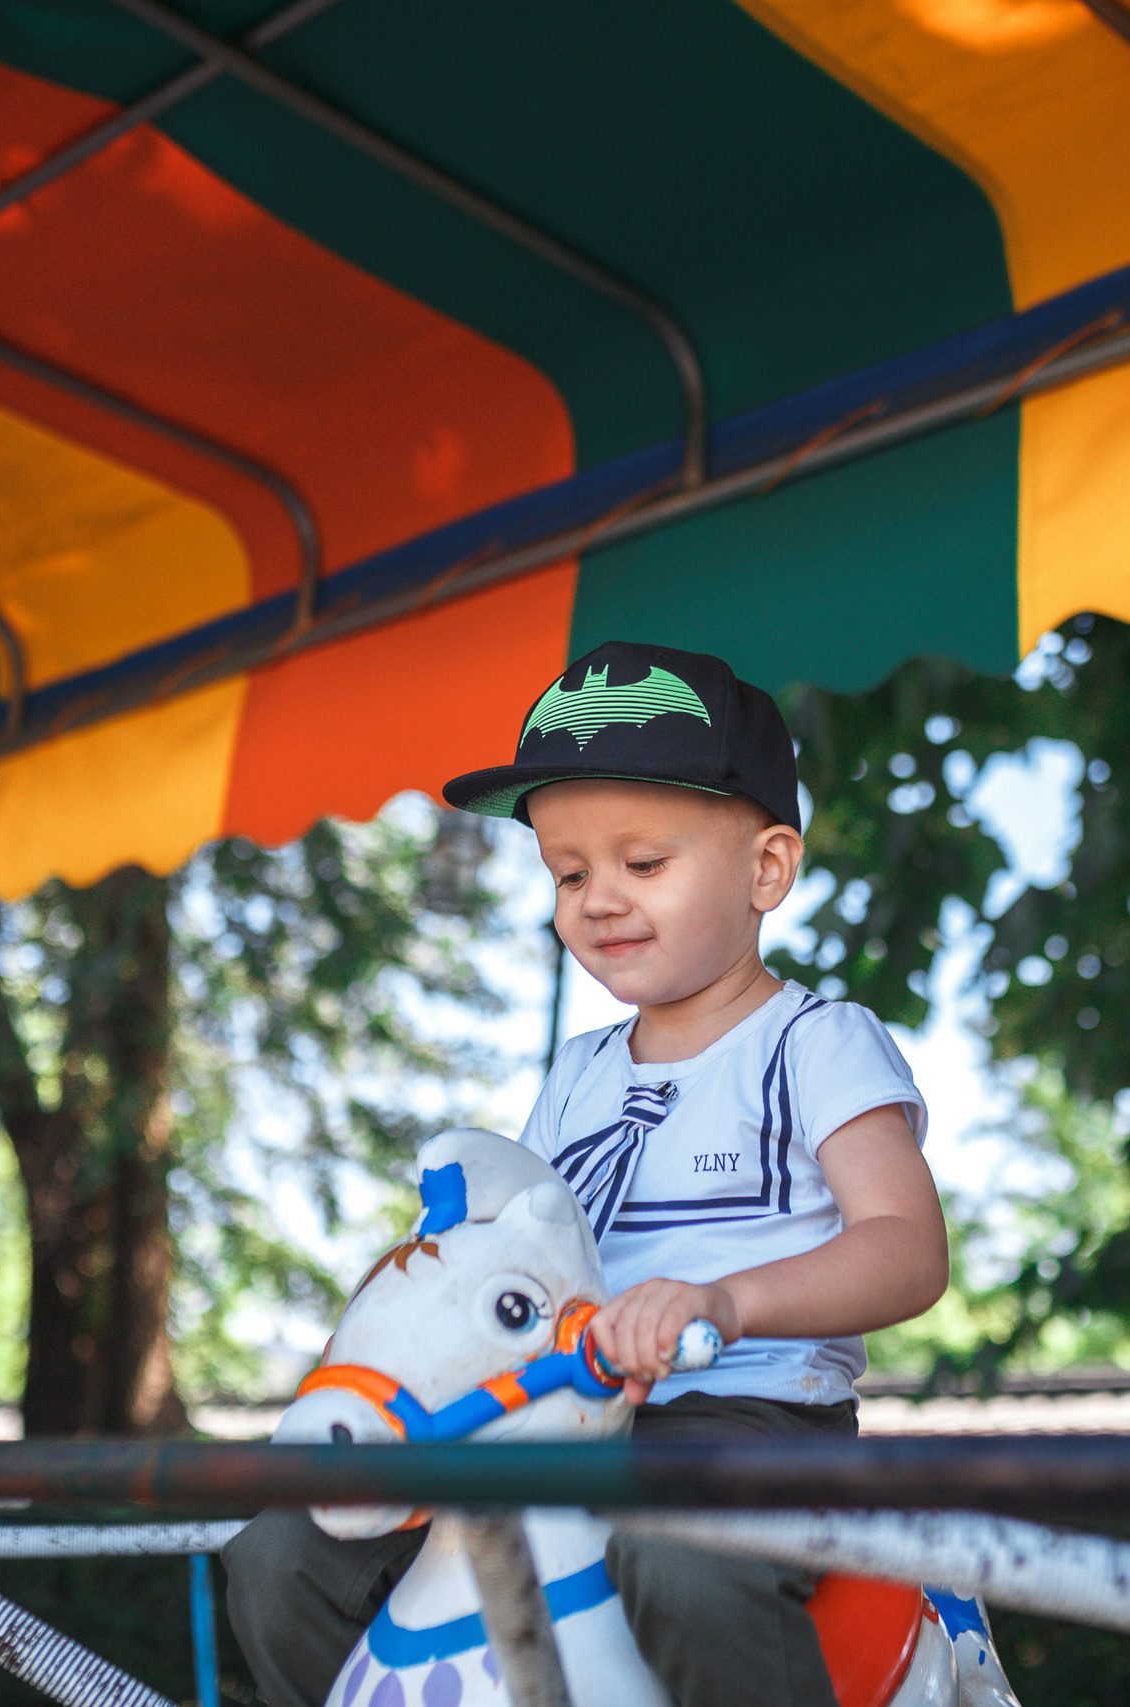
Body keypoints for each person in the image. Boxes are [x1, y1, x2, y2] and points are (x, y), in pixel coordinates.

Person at [222, 640, 950, 1707]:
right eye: (570, 874)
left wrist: (724, 1302)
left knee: (679, 1564)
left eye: (641, 864)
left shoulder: (814, 1043)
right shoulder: (575, 1074)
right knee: (280, 1554)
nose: (597, 899)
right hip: (544, 1408)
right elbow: (506, 1253)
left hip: (739, 1418)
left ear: (767, 869)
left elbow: (905, 1248)